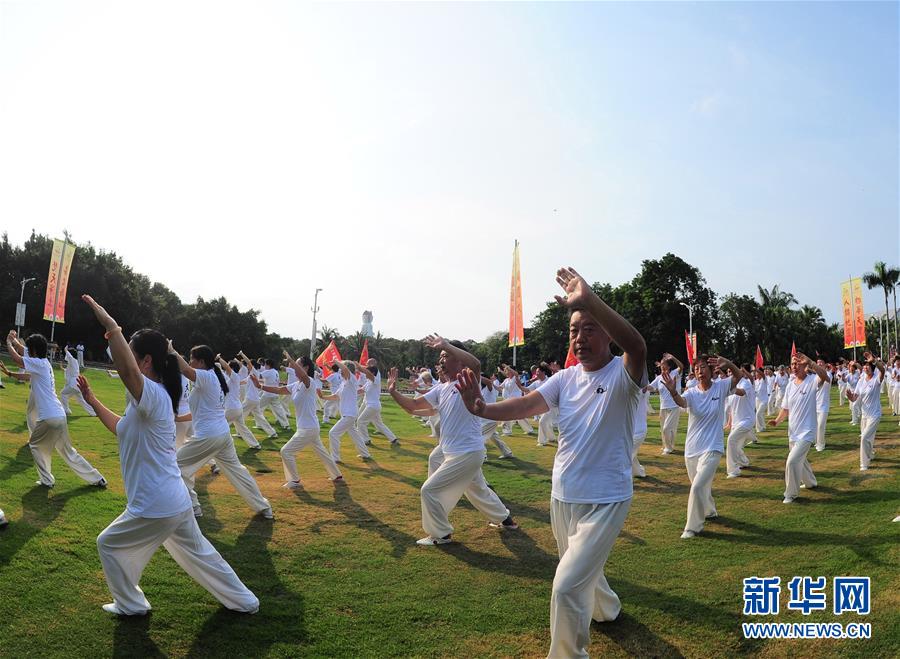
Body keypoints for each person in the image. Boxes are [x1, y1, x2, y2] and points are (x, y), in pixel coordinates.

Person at [456, 267, 646, 659]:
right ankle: (607, 610)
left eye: (590, 328)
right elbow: (526, 404)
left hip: (606, 499)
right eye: (574, 330)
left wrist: (589, 300)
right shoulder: (565, 379)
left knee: (566, 585)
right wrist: (482, 407)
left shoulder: (624, 373)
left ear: (607, 332)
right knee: (581, 572)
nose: (580, 337)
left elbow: (638, 344)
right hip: (563, 496)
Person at [76, 295, 258, 616]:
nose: (128, 363)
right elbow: (121, 428)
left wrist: (111, 326)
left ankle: (131, 605)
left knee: (108, 544)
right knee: (202, 554)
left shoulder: (155, 396)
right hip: (174, 501)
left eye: (133, 356)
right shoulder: (147, 401)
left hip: (155, 504)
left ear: (146, 361)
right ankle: (245, 601)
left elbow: (127, 373)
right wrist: (92, 400)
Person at [389, 335, 518, 547]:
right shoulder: (441, 388)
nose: (441, 360)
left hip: (467, 452)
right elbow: (412, 406)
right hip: (451, 450)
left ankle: (441, 535)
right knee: (475, 487)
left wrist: (446, 344)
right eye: (440, 356)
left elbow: (475, 363)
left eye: (446, 356)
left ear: (459, 361)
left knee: (429, 491)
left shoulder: (468, 381)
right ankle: (506, 519)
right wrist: (393, 392)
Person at [170, 343, 273, 519]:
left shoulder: (206, 377)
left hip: (208, 436)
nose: (189, 361)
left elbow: (186, 371)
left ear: (201, 362)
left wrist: (170, 351)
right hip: (222, 435)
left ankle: (193, 506)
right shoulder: (212, 378)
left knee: (173, 466)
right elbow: (202, 412)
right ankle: (264, 507)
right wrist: (178, 418)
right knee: (238, 472)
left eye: (191, 359)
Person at [5, 330, 107, 489]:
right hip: (59, 415)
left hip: (49, 417)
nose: (27, 351)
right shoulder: (43, 364)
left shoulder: (38, 364)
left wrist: (9, 343)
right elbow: (26, 372)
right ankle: (97, 478)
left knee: (35, 445)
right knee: (68, 451)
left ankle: (47, 480)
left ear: (33, 351)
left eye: (29, 349)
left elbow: (18, 359)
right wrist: (11, 370)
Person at [661, 355, 743, 538]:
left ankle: (692, 527)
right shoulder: (691, 392)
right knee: (700, 486)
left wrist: (728, 362)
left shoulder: (721, 387)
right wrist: (673, 392)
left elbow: (738, 377)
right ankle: (710, 510)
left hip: (712, 448)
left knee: (697, 487)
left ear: (711, 370)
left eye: (703, 367)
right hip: (692, 449)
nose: (700, 371)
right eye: (696, 368)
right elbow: (682, 402)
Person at [254, 351, 343, 488]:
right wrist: (260, 386)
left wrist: (290, 360)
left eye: (298, 364)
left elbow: (303, 376)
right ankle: (337, 475)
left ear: (306, 368)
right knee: (323, 453)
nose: (293, 367)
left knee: (286, 451)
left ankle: (294, 480)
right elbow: (279, 390)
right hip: (308, 427)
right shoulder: (296, 385)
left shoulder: (310, 382)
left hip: (308, 428)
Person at [768, 353, 829, 503]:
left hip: (807, 432)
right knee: (801, 461)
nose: (794, 367)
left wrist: (811, 363)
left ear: (805, 366)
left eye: (797, 364)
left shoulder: (812, 381)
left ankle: (790, 494)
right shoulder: (790, 385)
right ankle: (810, 482)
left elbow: (825, 376)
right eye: (792, 364)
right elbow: (786, 409)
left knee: (792, 461)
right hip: (793, 432)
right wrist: (777, 421)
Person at [323, 360, 371, 463]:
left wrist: (336, 361)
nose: (340, 371)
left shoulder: (352, 379)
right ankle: (365, 454)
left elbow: (345, 369)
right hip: (347, 414)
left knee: (333, 433)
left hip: (350, 414)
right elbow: (336, 396)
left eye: (341, 369)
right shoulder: (343, 383)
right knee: (355, 435)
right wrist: (323, 396)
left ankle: (335, 458)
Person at [845, 354, 886, 471]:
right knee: (869, 438)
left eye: (868, 366)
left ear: (872, 368)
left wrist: (874, 361)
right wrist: (849, 396)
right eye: (864, 366)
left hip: (875, 414)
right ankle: (871, 454)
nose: (865, 368)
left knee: (864, 438)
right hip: (864, 415)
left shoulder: (876, 379)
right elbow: (854, 398)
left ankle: (864, 463)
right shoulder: (861, 381)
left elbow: (882, 369)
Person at [215, 355, 261, 449]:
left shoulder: (234, 377)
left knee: (218, 425)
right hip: (236, 408)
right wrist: (217, 366)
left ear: (231, 368)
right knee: (242, 428)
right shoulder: (230, 378)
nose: (226, 367)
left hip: (232, 408)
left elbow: (226, 368)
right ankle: (255, 444)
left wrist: (219, 358)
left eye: (228, 366)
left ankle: (221, 446)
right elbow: (221, 372)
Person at [354, 359, 399, 445]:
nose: (365, 375)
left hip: (372, 406)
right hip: (373, 406)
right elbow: (360, 390)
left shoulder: (375, 380)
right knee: (379, 424)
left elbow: (366, 371)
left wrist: (357, 365)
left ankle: (366, 440)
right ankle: (393, 439)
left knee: (360, 421)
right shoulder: (368, 382)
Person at [646, 353, 683, 454]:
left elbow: (681, 366)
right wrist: (641, 387)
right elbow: (651, 387)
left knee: (668, 428)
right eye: (661, 364)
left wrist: (673, 358)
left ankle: (669, 448)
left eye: (664, 364)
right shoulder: (658, 378)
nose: (662, 366)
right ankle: (666, 446)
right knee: (663, 429)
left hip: (674, 406)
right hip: (663, 407)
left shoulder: (675, 373)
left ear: (669, 366)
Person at [236, 351, 277, 439]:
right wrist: (233, 383)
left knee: (239, 414)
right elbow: (243, 382)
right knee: (260, 418)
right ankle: (272, 432)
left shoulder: (254, 372)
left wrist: (242, 354)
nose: (247, 366)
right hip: (255, 400)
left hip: (250, 399)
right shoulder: (251, 374)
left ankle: (239, 432)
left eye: (248, 365)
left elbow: (248, 362)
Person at [725, 365, 756, 478]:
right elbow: (731, 409)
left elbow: (742, 392)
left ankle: (733, 470)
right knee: (736, 446)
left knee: (731, 440)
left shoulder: (745, 382)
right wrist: (729, 422)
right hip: (736, 422)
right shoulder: (730, 385)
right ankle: (744, 462)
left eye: (731, 371)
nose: (729, 373)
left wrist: (729, 389)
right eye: (728, 371)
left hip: (747, 420)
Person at [479, 375, 513, 459]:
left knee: (479, 437)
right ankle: (507, 452)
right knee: (494, 437)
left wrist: (475, 374)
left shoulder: (490, 388)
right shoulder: (481, 389)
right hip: (484, 420)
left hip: (489, 420)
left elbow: (488, 382)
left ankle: (483, 456)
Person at [59, 345, 97, 416]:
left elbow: (69, 357)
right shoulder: (74, 362)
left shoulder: (72, 360)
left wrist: (66, 350)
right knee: (81, 400)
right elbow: (69, 371)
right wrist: (62, 368)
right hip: (77, 384)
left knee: (63, 394)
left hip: (74, 384)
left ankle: (67, 410)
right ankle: (94, 413)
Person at [814, 358, 832, 452]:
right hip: (814, 405)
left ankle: (821, 444)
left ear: (825, 364)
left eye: (821, 362)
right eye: (818, 362)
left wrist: (815, 369)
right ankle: (817, 442)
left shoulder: (828, 374)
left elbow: (824, 380)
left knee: (821, 425)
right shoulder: (814, 376)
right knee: (816, 426)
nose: (819, 363)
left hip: (824, 405)